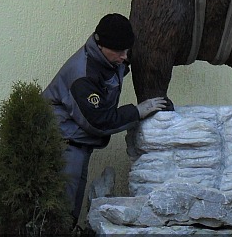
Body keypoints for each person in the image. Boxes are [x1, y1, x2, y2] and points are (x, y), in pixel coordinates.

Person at [42, 13, 168, 224]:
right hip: (63, 144)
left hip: (79, 143)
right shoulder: (82, 75)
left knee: (72, 207)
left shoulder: (109, 58)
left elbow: (121, 64)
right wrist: (137, 112)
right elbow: (99, 121)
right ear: (101, 46)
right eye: (119, 52)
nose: (124, 57)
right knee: (61, 208)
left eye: (127, 50)